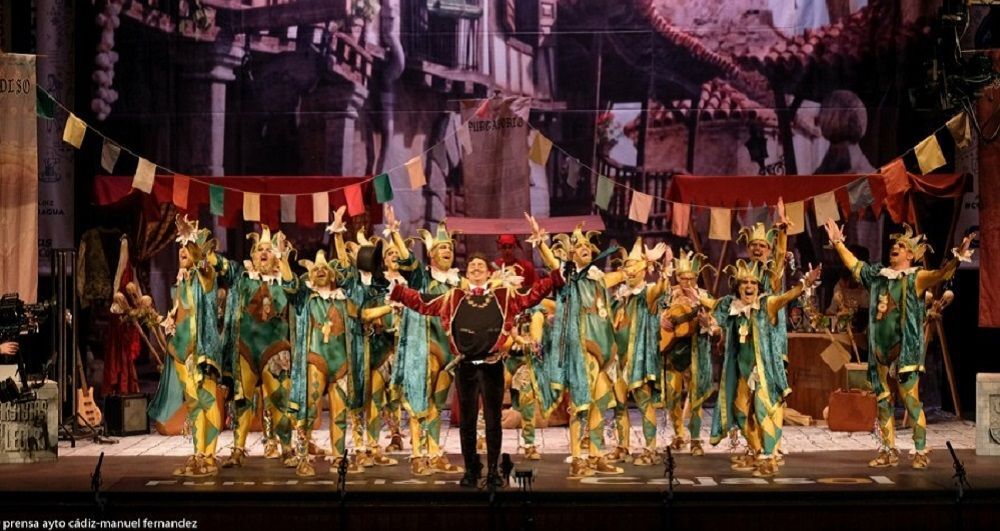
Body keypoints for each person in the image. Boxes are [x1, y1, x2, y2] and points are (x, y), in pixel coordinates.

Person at [390, 252, 564, 488]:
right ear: (466, 273)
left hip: (493, 366)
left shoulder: (504, 296)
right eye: (472, 265)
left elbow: (532, 295)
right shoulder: (453, 297)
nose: (476, 267)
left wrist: (555, 277)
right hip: (466, 368)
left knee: (493, 422)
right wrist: (399, 291)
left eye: (481, 264)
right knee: (468, 422)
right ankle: (471, 469)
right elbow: (423, 302)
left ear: (489, 272)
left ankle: (493, 471)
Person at [824, 219, 975, 468]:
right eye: (895, 244)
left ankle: (920, 451)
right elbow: (855, 265)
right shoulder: (878, 276)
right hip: (879, 349)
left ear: (911, 255)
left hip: (905, 349)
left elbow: (941, 274)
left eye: (902, 245)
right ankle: (888, 450)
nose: (895, 247)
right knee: (883, 401)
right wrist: (838, 243)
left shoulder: (916, 277)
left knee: (910, 400)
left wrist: (957, 257)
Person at [526, 214, 632, 477]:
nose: (584, 248)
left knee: (600, 402)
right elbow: (553, 263)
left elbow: (620, 276)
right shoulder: (568, 276)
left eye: (587, 246)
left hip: (605, 349)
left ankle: (596, 456)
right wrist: (541, 242)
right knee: (582, 404)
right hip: (583, 348)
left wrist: (635, 268)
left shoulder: (597, 277)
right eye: (579, 246)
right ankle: (576, 458)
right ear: (571, 254)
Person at [707, 260, 821, 477]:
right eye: (744, 283)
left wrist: (805, 283)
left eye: (753, 283)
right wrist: (708, 321)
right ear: (738, 286)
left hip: (762, 370)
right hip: (741, 371)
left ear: (758, 287)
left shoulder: (766, 304)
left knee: (761, 410)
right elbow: (714, 314)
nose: (749, 286)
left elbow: (786, 297)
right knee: (740, 414)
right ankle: (759, 451)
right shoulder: (733, 308)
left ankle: (770, 457)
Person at [155, 215, 225, 477]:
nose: (182, 250)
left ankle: (210, 456)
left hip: (201, 352)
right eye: (181, 246)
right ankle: (198, 455)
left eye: (188, 246)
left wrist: (198, 249)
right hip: (181, 354)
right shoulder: (181, 281)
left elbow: (207, 267)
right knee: (194, 405)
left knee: (207, 401)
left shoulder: (205, 275)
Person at [609, 238, 669, 465]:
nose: (630, 272)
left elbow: (661, 289)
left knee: (644, 403)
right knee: (619, 405)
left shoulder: (648, 293)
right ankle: (622, 447)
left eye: (635, 268)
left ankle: (650, 449)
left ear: (644, 270)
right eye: (627, 268)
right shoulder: (619, 298)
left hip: (638, 359)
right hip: (619, 360)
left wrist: (662, 269)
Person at [659, 251, 719, 457]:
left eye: (692, 278)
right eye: (684, 278)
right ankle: (679, 434)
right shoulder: (667, 295)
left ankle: (695, 439)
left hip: (696, 352)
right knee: (671, 396)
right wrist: (660, 320)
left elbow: (717, 326)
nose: (688, 282)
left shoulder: (704, 297)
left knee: (696, 398)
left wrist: (707, 323)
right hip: (672, 352)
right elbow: (654, 315)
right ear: (677, 277)